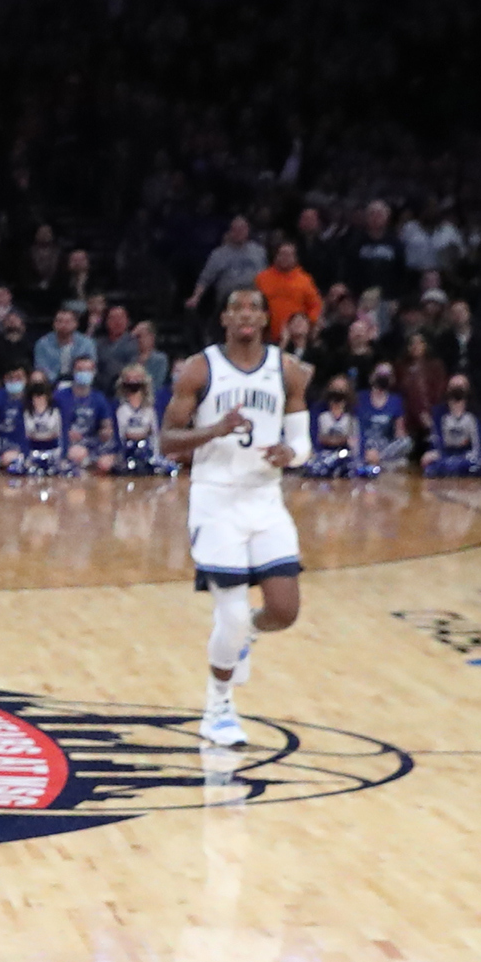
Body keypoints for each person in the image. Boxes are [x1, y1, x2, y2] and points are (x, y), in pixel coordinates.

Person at [160, 283, 311, 748]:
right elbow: (166, 441)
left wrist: (291, 452)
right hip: (215, 499)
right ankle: (218, 707)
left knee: (284, 610)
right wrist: (215, 429)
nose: (245, 314)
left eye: (253, 308)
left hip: (265, 498)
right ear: (224, 319)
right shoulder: (200, 369)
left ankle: (248, 635)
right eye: (236, 308)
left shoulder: (288, 371)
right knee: (229, 613)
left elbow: (302, 444)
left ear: (266, 319)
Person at [422, 378, 481, 479]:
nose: (457, 390)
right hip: (446, 456)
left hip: (468, 456)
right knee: (432, 466)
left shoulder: (475, 414)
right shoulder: (439, 413)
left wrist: (480, 455)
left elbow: (478, 442)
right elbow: (436, 439)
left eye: (461, 387)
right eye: (454, 386)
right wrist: (434, 453)